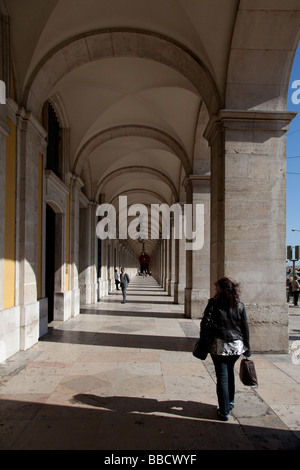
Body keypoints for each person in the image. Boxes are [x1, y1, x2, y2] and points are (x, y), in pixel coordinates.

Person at [199, 277, 251, 421]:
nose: (215, 291)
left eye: (217, 289)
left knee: (222, 376)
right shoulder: (240, 305)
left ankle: (224, 411)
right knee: (230, 373)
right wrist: (247, 347)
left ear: (220, 290)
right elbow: (245, 328)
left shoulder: (213, 304)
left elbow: (205, 323)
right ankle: (230, 401)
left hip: (219, 345)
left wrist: (204, 341)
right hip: (236, 346)